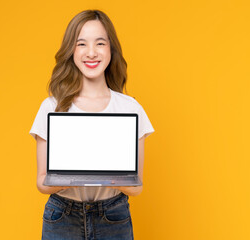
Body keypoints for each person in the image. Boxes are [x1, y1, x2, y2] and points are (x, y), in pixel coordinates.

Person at [29, 9, 155, 240]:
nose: (91, 52)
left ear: (111, 49)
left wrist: (103, 173)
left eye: (100, 43)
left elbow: (136, 187)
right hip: (62, 216)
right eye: (81, 44)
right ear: (71, 51)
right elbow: (41, 182)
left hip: (113, 216)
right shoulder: (52, 107)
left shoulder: (130, 108)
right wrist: (75, 175)